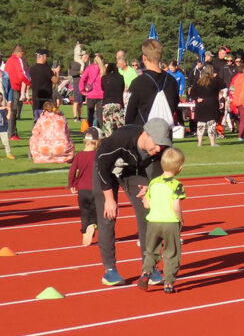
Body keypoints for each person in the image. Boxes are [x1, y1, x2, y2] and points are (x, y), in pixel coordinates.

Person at [93, 118, 173, 286]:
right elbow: (102, 166)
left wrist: (149, 189)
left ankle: (149, 267)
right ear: (146, 134)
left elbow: (159, 174)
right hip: (105, 170)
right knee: (108, 216)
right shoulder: (119, 140)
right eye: (156, 144)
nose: (158, 149)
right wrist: (109, 200)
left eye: (163, 145)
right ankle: (110, 270)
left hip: (132, 170)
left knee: (147, 213)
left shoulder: (161, 150)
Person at [138, 146, 186, 294]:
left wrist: (144, 199)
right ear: (180, 168)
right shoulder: (176, 185)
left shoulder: (153, 182)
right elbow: (176, 205)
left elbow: (147, 203)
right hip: (170, 222)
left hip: (153, 222)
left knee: (151, 250)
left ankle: (146, 272)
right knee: (171, 253)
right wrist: (181, 219)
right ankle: (169, 283)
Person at [125, 39, 180, 126]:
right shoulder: (172, 81)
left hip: (143, 134)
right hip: (165, 134)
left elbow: (129, 114)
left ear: (144, 58)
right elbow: (174, 105)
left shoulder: (138, 83)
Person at [68, 127, 100, 246]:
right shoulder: (98, 155)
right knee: (96, 210)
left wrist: (71, 184)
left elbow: (72, 172)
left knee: (84, 212)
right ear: (97, 142)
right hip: (95, 188)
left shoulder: (79, 155)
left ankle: (84, 232)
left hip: (82, 189)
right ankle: (93, 225)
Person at [189, 65, 223, 147]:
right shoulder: (215, 81)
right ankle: (212, 143)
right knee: (211, 124)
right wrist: (221, 101)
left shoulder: (198, 82)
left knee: (201, 124)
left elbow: (192, 93)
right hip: (212, 104)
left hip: (201, 104)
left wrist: (197, 99)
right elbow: (220, 92)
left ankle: (199, 142)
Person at [3, 44, 29, 141]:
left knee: (11, 110)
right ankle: (11, 133)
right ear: (19, 52)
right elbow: (22, 73)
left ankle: (11, 132)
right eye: (23, 53)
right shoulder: (17, 60)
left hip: (9, 87)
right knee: (13, 111)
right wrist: (29, 81)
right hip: (14, 87)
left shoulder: (9, 61)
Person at [27, 49, 55, 120]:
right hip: (46, 98)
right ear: (43, 56)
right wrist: (56, 73)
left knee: (37, 118)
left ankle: (36, 130)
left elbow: (28, 83)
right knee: (47, 119)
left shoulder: (31, 69)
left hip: (36, 97)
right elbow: (55, 80)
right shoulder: (46, 69)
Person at [100, 61, 126, 134]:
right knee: (120, 126)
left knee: (108, 127)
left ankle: (109, 141)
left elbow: (102, 88)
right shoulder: (121, 77)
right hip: (118, 104)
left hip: (107, 103)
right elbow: (122, 88)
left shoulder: (104, 78)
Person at [80, 51, 104, 129]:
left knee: (90, 114)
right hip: (101, 94)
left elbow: (82, 79)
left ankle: (90, 130)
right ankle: (100, 131)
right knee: (100, 115)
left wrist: (82, 90)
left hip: (91, 94)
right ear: (102, 60)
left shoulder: (89, 68)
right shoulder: (103, 69)